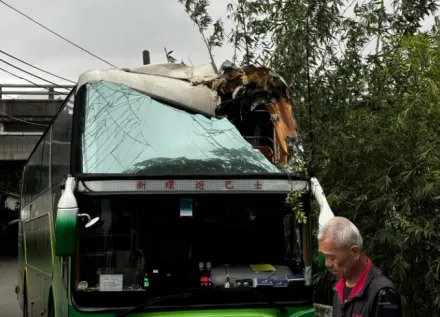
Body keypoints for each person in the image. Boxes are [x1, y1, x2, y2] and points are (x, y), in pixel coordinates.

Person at [318, 217, 402, 317]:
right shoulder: (338, 290)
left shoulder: (383, 294)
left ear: (354, 252)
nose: (327, 264)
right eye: (325, 257)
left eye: (332, 257)